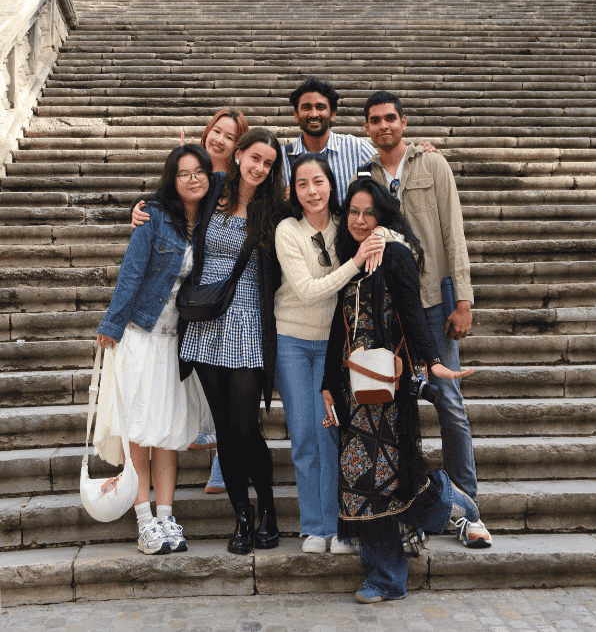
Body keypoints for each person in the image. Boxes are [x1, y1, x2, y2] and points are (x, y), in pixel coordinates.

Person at [322, 178, 484, 604]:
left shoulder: (394, 252)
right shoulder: (350, 255)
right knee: (364, 479)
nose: (359, 221)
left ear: (384, 214)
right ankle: (444, 496)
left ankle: (386, 578)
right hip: (352, 386)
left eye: (368, 212)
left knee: (381, 479)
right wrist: (325, 385)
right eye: (353, 212)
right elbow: (339, 327)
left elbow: (412, 313)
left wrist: (432, 362)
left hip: (389, 387)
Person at [354, 90, 492, 546]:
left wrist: (464, 300)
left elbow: (454, 230)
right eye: (375, 120)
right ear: (367, 127)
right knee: (395, 404)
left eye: (390, 118)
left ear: (404, 122)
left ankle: (467, 505)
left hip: (433, 299)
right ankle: (406, 505)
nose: (383, 126)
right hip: (389, 308)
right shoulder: (363, 172)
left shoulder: (433, 165)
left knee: (449, 402)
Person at [94, 144, 214, 556]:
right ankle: (145, 520)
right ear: (172, 179)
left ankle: (167, 516)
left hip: (178, 343)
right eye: (184, 173)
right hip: (140, 336)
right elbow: (131, 273)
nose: (194, 178)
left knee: (167, 433)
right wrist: (111, 324)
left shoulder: (213, 220)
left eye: (200, 171)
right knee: (140, 432)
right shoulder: (154, 217)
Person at [133, 108, 250, 495]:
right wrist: (139, 207)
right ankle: (205, 436)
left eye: (229, 136)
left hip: (224, 297)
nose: (219, 139)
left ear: (238, 147)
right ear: (206, 133)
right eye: (216, 131)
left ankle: (222, 460)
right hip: (187, 299)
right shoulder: (191, 172)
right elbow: (164, 202)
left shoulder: (236, 182)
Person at [179, 128, 286, 555]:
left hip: (247, 320)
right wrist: (141, 208)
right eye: (255, 158)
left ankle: (269, 510)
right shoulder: (213, 191)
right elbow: (171, 198)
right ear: (239, 155)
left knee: (245, 427)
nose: (260, 168)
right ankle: (242, 516)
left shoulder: (274, 210)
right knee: (224, 428)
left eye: (268, 163)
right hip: (206, 318)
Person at [274, 154, 385, 555]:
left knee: (331, 434)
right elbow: (306, 290)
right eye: (303, 184)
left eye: (318, 182)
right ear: (294, 192)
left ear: (330, 184)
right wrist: (354, 263)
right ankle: (313, 527)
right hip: (292, 342)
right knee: (304, 435)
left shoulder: (348, 225)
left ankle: (340, 527)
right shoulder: (287, 230)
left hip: (335, 345)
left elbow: (388, 234)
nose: (312, 191)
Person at [283, 79, 376, 202]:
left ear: (332, 114)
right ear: (296, 115)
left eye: (320, 107)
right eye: (306, 108)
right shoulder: (282, 158)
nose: (314, 114)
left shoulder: (358, 149)